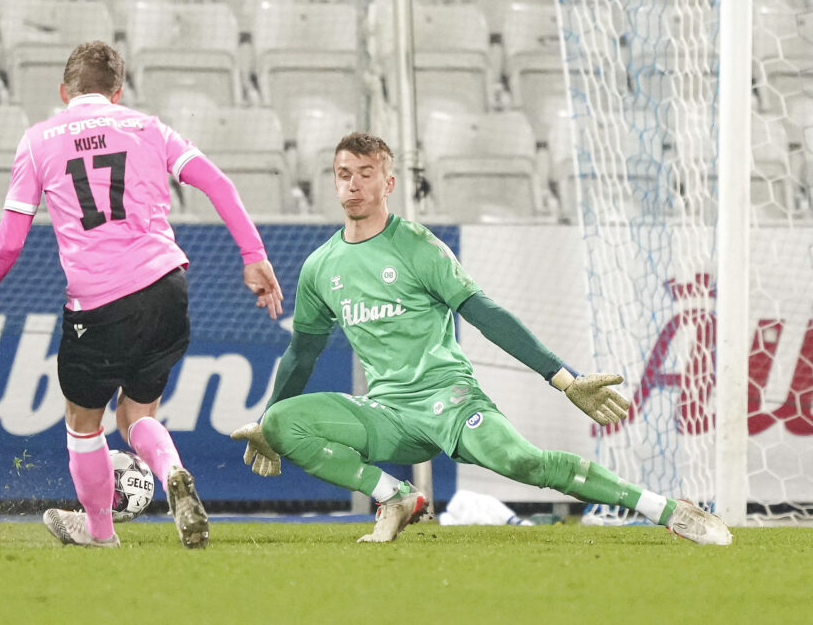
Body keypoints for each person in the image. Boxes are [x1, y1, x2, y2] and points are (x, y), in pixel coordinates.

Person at [231, 132, 732, 545]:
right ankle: (395, 495)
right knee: (282, 421)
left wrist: (563, 378)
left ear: (388, 182)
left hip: (449, 399)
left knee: (521, 462)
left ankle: (666, 508)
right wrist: (264, 422)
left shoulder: (417, 246)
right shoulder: (321, 266)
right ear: (334, 184)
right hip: (386, 412)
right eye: (345, 175)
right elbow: (303, 350)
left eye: (366, 175)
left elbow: (485, 313)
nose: (354, 186)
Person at [0, 41, 284, 549]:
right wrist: (253, 255)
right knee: (137, 415)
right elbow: (218, 183)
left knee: (83, 422)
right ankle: (172, 475)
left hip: (97, 304)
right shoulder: (148, 127)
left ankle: (100, 532)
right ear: (118, 92)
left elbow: (11, 237)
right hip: (167, 286)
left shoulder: (38, 141)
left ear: (64, 91)